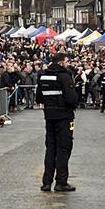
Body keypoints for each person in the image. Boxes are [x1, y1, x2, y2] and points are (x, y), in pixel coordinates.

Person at [35, 52, 78, 192]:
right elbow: (71, 99)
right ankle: (61, 182)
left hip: (49, 116)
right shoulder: (65, 76)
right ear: (60, 62)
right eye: (67, 61)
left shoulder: (43, 76)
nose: (68, 64)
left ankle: (46, 182)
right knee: (64, 149)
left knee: (50, 149)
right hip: (64, 117)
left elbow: (39, 98)